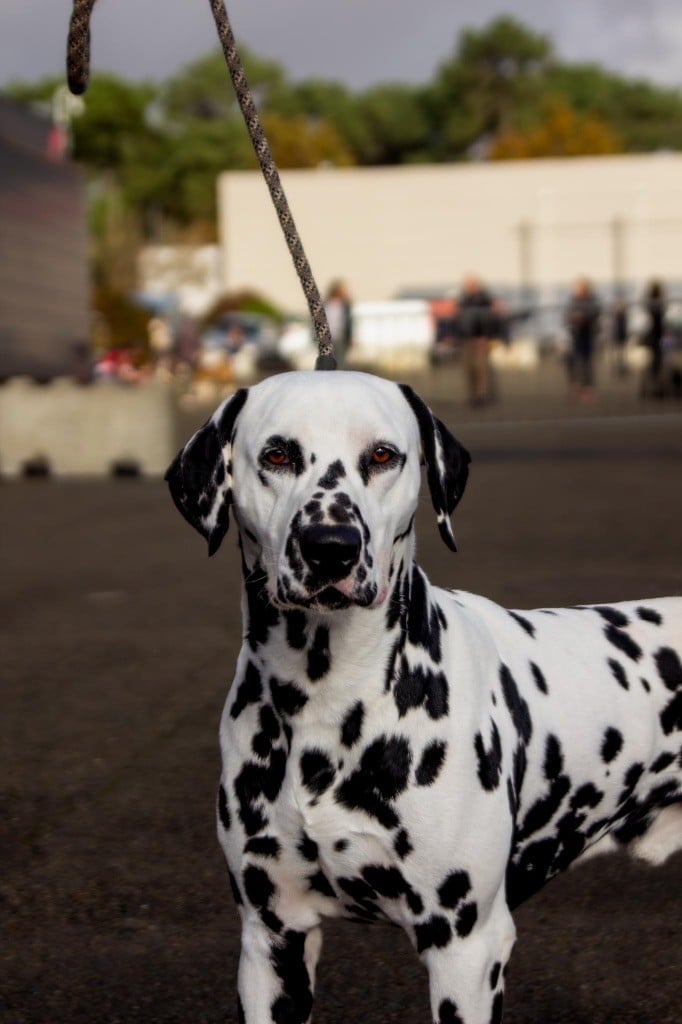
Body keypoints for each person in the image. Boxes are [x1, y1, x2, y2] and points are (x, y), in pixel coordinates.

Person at [457, 275, 498, 406]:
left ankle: (482, 395)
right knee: (468, 368)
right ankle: (472, 395)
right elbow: (460, 320)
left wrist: (485, 335)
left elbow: (486, 320)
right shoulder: (464, 300)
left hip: (480, 339)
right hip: (466, 339)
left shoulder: (483, 300)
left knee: (481, 367)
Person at [565, 278, 601, 401]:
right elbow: (567, 317)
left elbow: (595, 315)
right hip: (575, 336)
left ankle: (587, 388)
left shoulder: (592, 301)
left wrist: (583, 318)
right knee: (573, 362)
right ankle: (575, 387)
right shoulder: (573, 301)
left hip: (587, 336)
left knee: (587, 363)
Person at [643, 280, 666, 396]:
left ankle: (656, 383)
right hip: (656, 334)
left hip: (655, 334)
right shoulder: (657, 304)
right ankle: (657, 384)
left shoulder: (652, 304)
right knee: (657, 360)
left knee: (655, 360)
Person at [324, 280, 352, 367]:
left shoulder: (345, 306)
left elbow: (348, 323)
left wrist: (349, 337)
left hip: (340, 338)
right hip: (327, 338)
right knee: (328, 361)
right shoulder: (326, 305)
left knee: (340, 361)